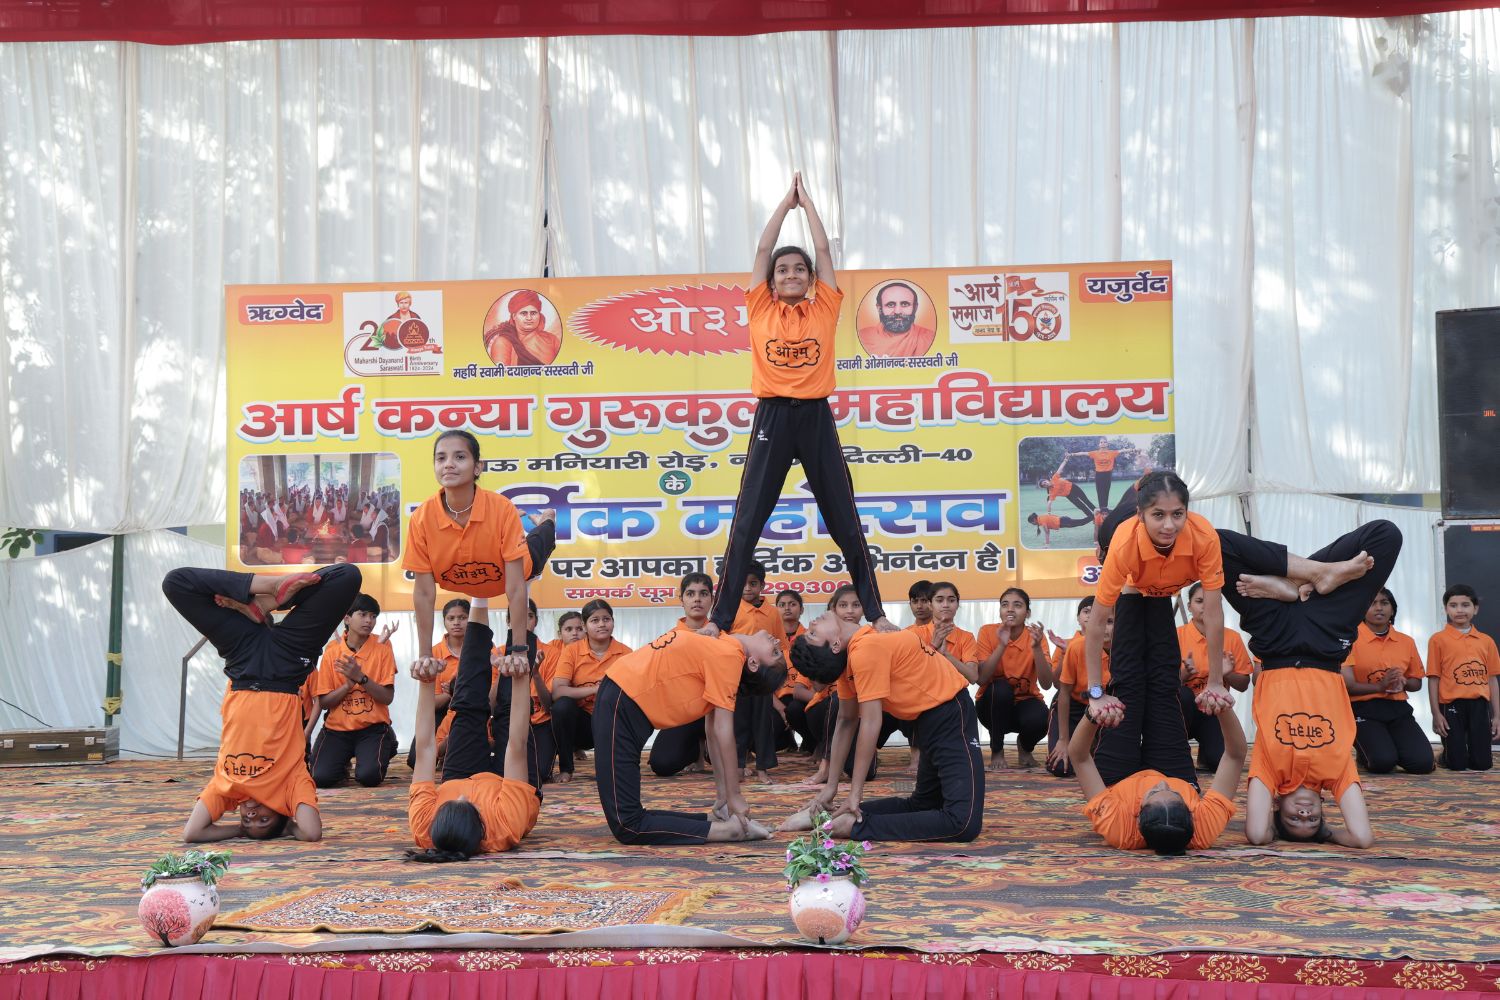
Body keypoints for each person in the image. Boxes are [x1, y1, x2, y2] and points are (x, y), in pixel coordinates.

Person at [707, 173, 894, 638]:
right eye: (782, 271)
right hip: (772, 416)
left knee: (846, 521)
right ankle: (719, 619)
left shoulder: (824, 308)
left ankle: (876, 613)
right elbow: (761, 250)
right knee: (747, 521)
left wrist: (808, 205)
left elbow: (824, 250)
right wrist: (783, 206)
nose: (791, 275)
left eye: (799, 270)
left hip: (815, 417)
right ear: (772, 281)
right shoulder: (760, 308)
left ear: (811, 280)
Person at [1220, 520, 1403, 848]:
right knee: (1386, 534)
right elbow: (1362, 838)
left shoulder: (1270, 771)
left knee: (1213, 542)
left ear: (1277, 806)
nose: (1304, 814)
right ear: (1322, 811)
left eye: (1294, 819)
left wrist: (1277, 830)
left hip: (1275, 634)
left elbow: (1258, 834)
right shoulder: (1337, 774)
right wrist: (1326, 835)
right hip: (1327, 634)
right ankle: (1309, 578)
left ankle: (1298, 579)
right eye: (1312, 820)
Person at [403, 429, 557, 784]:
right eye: (441, 458)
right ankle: (483, 591)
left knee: (538, 547)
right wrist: (424, 655)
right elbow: (423, 593)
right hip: (467, 578)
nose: (449, 464)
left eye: (459, 457)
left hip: (509, 572)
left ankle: (546, 520)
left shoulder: (500, 509)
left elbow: (515, 588)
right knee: (479, 595)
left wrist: (519, 649)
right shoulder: (422, 518)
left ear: (477, 467)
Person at [167, 565, 361, 842]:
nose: (251, 813)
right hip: (287, 664)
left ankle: (261, 599)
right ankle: (269, 596)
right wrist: (287, 828)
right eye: (263, 819)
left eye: (246, 819)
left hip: (242, 658)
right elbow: (311, 832)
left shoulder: (228, 787)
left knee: (176, 583)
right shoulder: (290, 784)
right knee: (347, 577)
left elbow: (192, 833)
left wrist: (240, 831)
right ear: (283, 811)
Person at [781, 611, 984, 842]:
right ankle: (854, 825)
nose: (812, 622)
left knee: (924, 804)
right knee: (963, 823)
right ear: (835, 644)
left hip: (934, 718)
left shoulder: (856, 650)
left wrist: (834, 788)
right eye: (813, 633)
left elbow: (847, 721)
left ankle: (828, 818)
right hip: (948, 715)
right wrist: (849, 792)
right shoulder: (863, 651)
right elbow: (861, 721)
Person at [1083, 472, 1229, 790]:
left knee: (1164, 682)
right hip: (1120, 538)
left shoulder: (1203, 536)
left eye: (1178, 514)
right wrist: (1096, 694)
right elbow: (1097, 622)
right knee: (1130, 682)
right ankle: (1140, 484)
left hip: (1160, 583)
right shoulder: (1122, 542)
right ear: (1142, 514)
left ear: (1187, 513)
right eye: (1158, 515)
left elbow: (1214, 613)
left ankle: (1171, 766)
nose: (1169, 525)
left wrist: (1216, 681)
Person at [593, 627, 784, 843]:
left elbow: (717, 731)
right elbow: (714, 731)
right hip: (621, 698)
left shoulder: (729, 657)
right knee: (628, 822)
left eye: (775, 652)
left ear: (754, 663)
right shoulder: (724, 644)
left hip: (622, 703)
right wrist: (727, 797)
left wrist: (730, 796)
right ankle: (724, 826)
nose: (777, 641)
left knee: (628, 824)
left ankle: (726, 829)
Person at [407, 610, 540, 861]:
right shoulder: (504, 824)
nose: (463, 795)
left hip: (460, 775)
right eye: (468, 802)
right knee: (508, 710)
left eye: (451, 802)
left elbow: (425, 749)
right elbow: (516, 744)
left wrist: (426, 681)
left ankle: (479, 599)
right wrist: (521, 672)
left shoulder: (424, 826)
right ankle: (521, 603)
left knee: (466, 707)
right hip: (505, 785)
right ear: (481, 822)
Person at [1069, 700, 1245, 854]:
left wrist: (1093, 714)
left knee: (1124, 696)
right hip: (1175, 773)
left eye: (1153, 792)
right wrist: (1223, 707)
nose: (1162, 784)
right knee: (1163, 692)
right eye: (1175, 793)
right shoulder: (1203, 827)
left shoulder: (1120, 829)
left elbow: (1080, 757)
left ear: (1138, 819)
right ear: (1192, 815)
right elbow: (1235, 756)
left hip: (1119, 777)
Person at [309, 593, 398, 788]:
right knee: (320, 778)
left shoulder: (383, 649)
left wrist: (361, 678)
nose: (369, 620)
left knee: (369, 777)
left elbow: (387, 697)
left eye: (373, 616)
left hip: (372, 727)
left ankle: (388, 742)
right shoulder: (332, 651)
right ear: (347, 619)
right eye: (363, 614)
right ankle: (343, 761)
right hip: (337, 729)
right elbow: (324, 702)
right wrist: (347, 686)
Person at [1343, 588, 1433, 775]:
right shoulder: (1349, 639)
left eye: (1384, 603)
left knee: (1423, 764)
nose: (1379, 608)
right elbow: (1347, 686)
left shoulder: (1406, 641)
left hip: (1398, 708)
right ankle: (1371, 753)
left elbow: (1416, 683)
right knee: (1382, 763)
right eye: (1372, 603)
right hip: (1362, 709)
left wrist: (1403, 682)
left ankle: (1393, 748)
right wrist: (1380, 686)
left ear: (1392, 610)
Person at [1177, 582, 1255, 772]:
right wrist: (1184, 675)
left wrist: (1226, 674)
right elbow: (1161, 685)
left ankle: (1206, 754)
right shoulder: (1175, 636)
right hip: (1181, 711)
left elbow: (1244, 684)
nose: (1206, 606)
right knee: (1184, 695)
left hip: (1212, 710)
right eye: (1199, 601)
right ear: (1189, 606)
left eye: (1213, 601)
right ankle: (1177, 750)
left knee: (1218, 761)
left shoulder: (1232, 637)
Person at [552, 599, 631, 782]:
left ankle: (621, 765)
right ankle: (566, 768)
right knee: (562, 706)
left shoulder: (626, 653)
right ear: (585, 626)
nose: (602, 624)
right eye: (595, 620)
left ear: (613, 622)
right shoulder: (572, 651)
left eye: (606, 619)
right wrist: (597, 689)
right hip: (583, 725)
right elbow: (557, 691)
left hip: (612, 721)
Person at [649, 574, 719, 778]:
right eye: (690, 594)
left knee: (723, 760)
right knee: (662, 765)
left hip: (716, 712)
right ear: (681, 600)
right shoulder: (668, 639)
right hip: (683, 713)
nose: (697, 599)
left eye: (703, 594)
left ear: (712, 599)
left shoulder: (723, 635)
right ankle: (695, 749)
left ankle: (727, 751)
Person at [976, 588, 1052, 771]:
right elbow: (982, 679)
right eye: (1005, 605)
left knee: (1042, 718)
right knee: (1001, 689)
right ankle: (997, 750)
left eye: (1017, 605)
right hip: (991, 706)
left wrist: (1036, 648)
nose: (1010, 609)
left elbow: (1047, 684)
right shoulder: (988, 632)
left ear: (1028, 613)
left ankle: (1025, 747)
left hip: (1024, 703)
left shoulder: (1035, 636)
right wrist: (1002, 645)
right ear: (1000, 611)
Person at [1427, 584, 1500, 772]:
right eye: (1453, 605)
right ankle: (1445, 755)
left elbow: (1492, 679)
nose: (1459, 610)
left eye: (1465, 605)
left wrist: (1497, 716)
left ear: (1475, 609)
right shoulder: (1438, 640)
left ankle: (1470, 751)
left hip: (1479, 704)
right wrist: (1436, 713)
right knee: (1457, 765)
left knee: (1482, 765)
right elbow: (1433, 678)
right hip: (1451, 705)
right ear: (1446, 609)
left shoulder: (1486, 641)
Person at [1047, 597, 1111, 779]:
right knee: (1061, 767)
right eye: (1087, 612)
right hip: (1075, 706)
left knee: (1112, 768)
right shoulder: (1075, 647)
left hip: (1108, 710)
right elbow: (1063, 691)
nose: (1103, 627)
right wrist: (1063, 740)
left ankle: (1093, 746)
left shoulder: (1125, 649)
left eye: (1109, 621)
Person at [732, 562, 782, 782]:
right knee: (738, 722)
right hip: (738, 675)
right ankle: (738, 766)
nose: (747, 588)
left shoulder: (773, 613)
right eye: (743, 583)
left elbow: (780, 645)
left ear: (762, 585)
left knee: (763, 722)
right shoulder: (731, 609)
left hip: (763, 676)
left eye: (753, 583)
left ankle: (763, 768)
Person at [406, 597, 468, 771]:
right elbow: (430, 702)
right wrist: (451, 694)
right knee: (417, 760)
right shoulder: (433, 652)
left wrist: (455, 691)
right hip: (441, 711)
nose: (456, 623)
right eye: (451, 618)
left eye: (462, 618)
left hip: (471, 709)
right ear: (445, 621)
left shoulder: (484, 650)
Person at [856, 280, 937, 358]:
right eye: (890, 305)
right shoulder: (863, 337)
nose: (897, 311)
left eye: (905, 304)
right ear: (879, 308)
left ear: (915, 308)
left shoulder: (929, 338)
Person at [484, 289, 561, 367]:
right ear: (514, 316)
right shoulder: (503, 342)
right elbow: (501, 372)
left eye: (533, 313)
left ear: (539, 315)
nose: (529, 318)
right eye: (523, 313)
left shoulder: (552, 340)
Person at [775, 589, 812, 751]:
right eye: (782, 605)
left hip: (804, 694)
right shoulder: (769, 638)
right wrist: (779, 708)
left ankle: (810, 740)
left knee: (796, 711)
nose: (787, 608)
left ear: (801, 609)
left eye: (792, 604)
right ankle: (787, 740)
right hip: (778, 698)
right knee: (773, 735)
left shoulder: (811, 636)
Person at [1027, 511, 1093, 548]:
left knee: (1081, 522)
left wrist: (1047, 544)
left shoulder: (1041, 521)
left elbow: (1047, 533)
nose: (1032, 524)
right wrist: (1047, 542)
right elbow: (1047, 531)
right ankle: (1092, 516)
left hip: (1064, 522)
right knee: (1081, 522)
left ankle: (1093, 516)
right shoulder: (1040, 518)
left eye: (1032, 523)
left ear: (1034, 520)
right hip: (1064, 520)